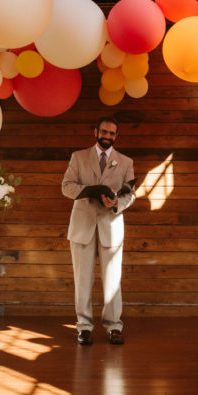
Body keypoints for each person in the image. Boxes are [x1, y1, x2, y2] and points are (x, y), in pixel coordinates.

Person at [61, 116, 136, 346]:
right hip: (83, 225)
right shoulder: (79, 157)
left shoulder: (125, 162)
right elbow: (67, 187)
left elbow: (130, 194)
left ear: (116, 136)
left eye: (112, 134)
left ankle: (114, 326)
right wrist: (93, 191)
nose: (107, 136)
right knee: (82, 279)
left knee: (113, 281)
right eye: (104, 132)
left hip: (110, 226)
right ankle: (84, 327)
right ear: (95, 132)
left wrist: (117, 204)